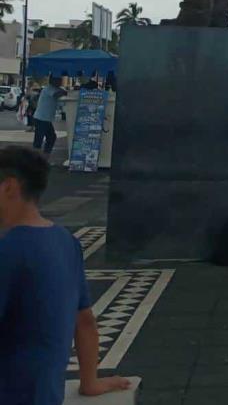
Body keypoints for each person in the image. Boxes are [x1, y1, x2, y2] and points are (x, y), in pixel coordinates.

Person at [0, 146, 131, 403]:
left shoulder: (8, 250)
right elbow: (85, 322)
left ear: (9, 187)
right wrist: (90, 382)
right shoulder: (65, 241)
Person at [32, 77, 66, 156]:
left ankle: (45, 156)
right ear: (53, 81)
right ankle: (34, 160)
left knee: (51, 137)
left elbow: (60, 100)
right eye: (59, 80)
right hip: (41, 118)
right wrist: (64, 92)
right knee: (39, 140)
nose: (61, 81)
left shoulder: (56, 89)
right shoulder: (48, 88)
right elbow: (56, 94)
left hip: (46, 119)